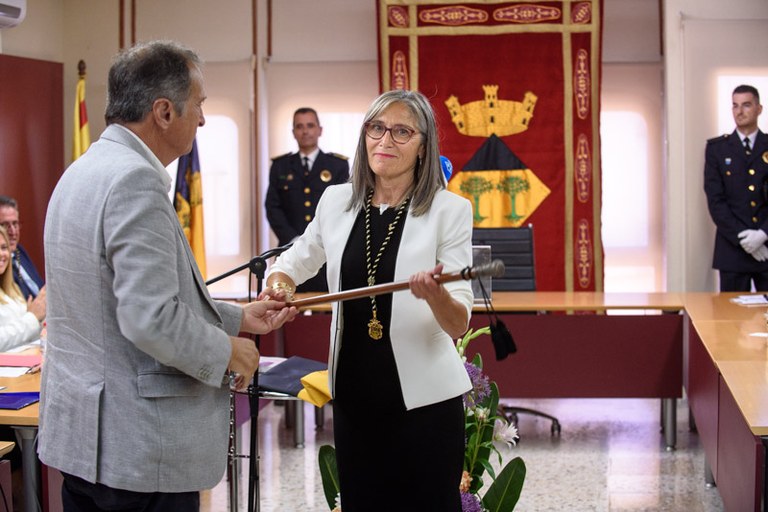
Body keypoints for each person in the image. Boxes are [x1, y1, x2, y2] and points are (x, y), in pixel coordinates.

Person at [38, 40, 297, 512]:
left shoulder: (80, 172)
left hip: (84, 444)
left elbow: (117, 302)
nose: (201, 119)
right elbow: (149, 318)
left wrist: (238, 318)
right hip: (139, 453)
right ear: (163, 111)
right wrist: (228, 351)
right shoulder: (134, 182)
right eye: (198, 104)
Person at [264, 89, 474, 511]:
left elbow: (458, 322)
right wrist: (281, 287)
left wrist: (436, 297)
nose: (385, 141)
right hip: (355, 397)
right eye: (377, 128)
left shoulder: (449, 211)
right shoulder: (336, 201)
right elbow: (294, 261)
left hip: (426, 401)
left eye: (401, 132)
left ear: (423, 146)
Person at [264, 107, 349, 292]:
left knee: (326, 312)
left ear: (320, 130)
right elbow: (272, 207)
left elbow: (343, 207)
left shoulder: (337, 165)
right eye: (299, 126)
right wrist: (294, 240)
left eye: (310, 125)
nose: (305, 131)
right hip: (289, 250)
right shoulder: (281, 166)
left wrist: (324, 239)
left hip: (327, 252)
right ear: (293, 132)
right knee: (289, 310)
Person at [704, 84, 768, 291]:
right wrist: (744, 239)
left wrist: (762, 235)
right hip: (732, 249)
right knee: (731, 318)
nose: (739, 112)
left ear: (759, 109)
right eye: (735, 106)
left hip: (767, 247)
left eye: (746, 105)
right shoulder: (718, 149)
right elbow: (716, 201)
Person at [0, 225, 45, 351]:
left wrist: (42, 317)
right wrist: (32, 317)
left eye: (4, 248)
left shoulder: (12, 288)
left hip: (29, 363)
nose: (1, 254)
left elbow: (27, 333)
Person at [0, 195, 44, 300]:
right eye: (5, 225)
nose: (13, 232)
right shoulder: (2, 263)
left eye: (15, 224)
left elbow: (40, 285)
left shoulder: (20, 251)